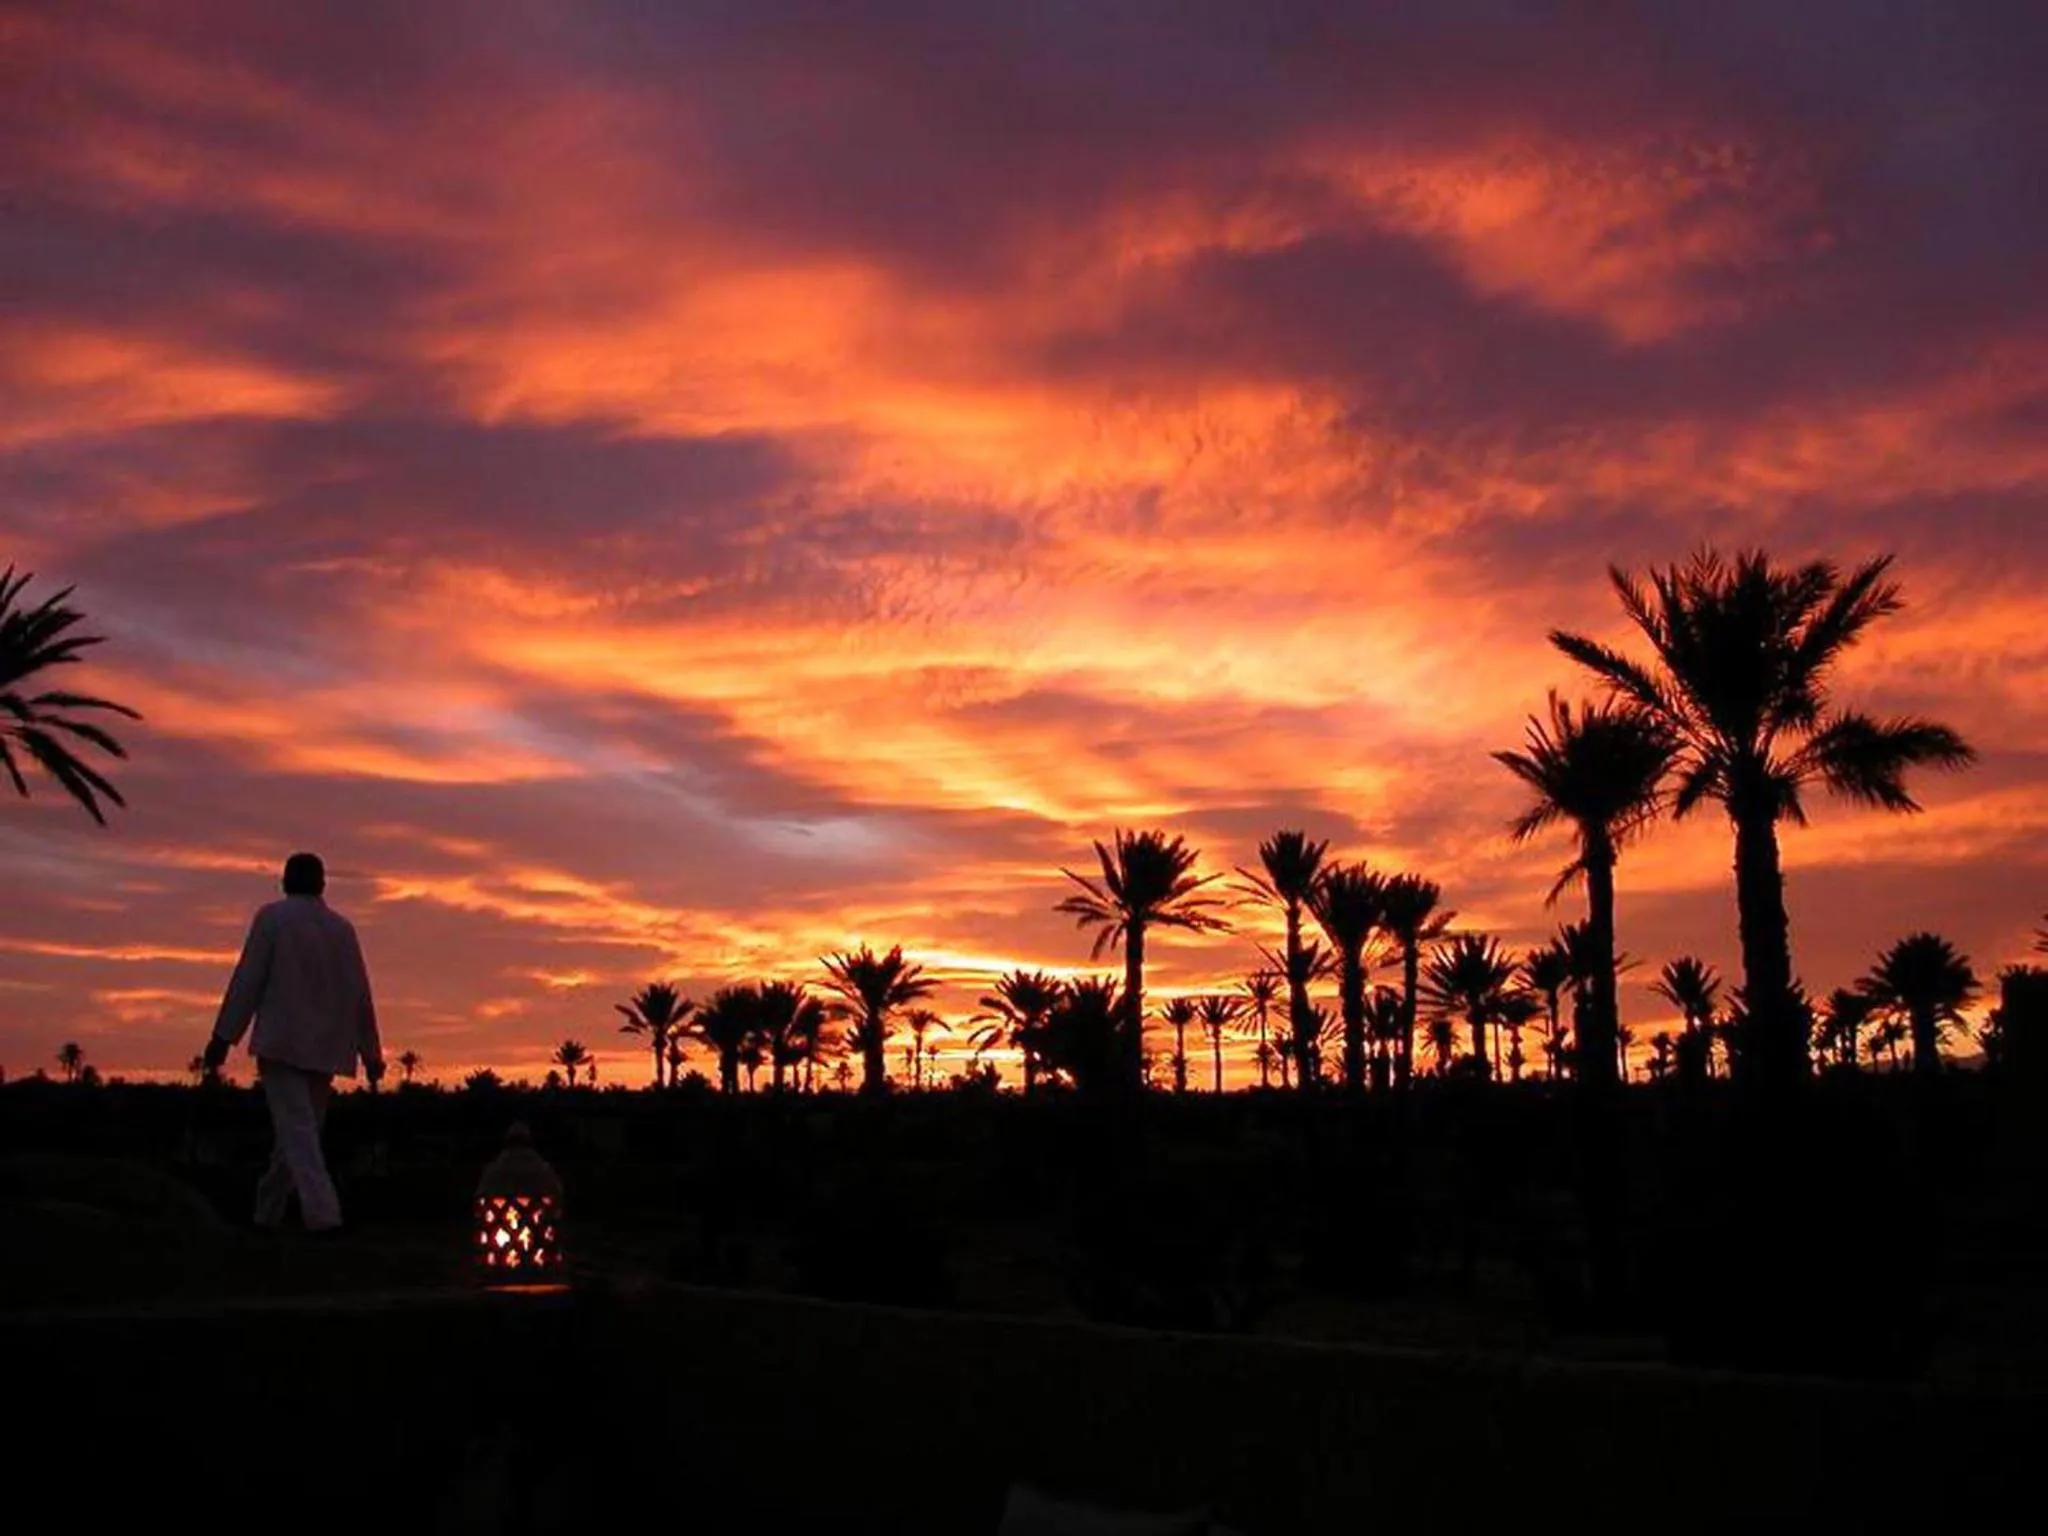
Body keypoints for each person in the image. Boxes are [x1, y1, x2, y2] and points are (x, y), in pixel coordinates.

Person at [203, 852, 383, 1232]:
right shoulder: (341, 929)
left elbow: (247, 979)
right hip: (326, 1047)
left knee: (298, 1133)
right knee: (301, 1131)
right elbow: (359, 994)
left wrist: (222, 1037)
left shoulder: (273, 919)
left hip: (282, 1042)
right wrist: (371, 1052)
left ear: (286, 882)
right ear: (322, 884)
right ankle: (267, 1212)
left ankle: (323, 1217)